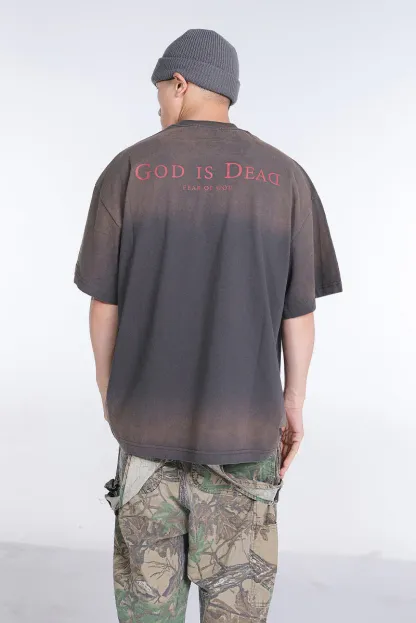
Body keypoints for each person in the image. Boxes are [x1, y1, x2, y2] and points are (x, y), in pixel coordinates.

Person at [74, 28, 342, 623]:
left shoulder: (127, 170)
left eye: (159, 94)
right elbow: (299, 313)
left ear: (180, 83)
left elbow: (103, 306)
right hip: (245, 436)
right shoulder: (286, 178)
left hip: (146, 434)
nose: (159, 109)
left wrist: (111, 392)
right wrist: (292, 403)